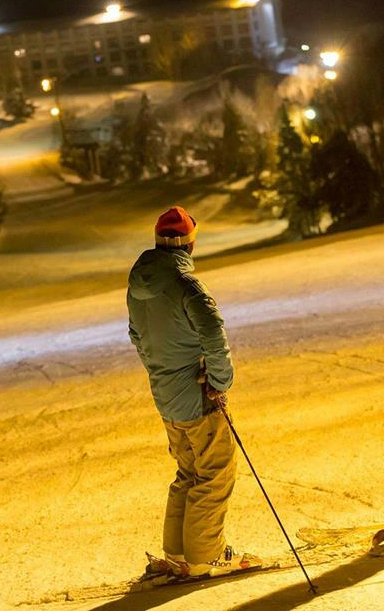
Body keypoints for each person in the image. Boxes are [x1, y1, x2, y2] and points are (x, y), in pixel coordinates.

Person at [126, 206, 262, 577]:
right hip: (197, 397)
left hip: (167, 397)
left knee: (188, 471)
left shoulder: (139, 284)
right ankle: (205, 556)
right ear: (190, 245)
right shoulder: (187, 286)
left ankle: (179, 553)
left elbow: (138, 337)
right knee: (215, 472)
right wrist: (218, 381)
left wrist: (163, 372)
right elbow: (214, 337)